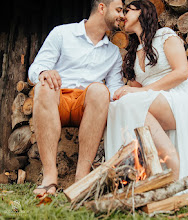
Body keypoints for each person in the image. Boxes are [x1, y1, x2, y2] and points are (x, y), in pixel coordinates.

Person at [104, 0, 188, 196]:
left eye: (127, 11)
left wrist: (142, 92)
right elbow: (136, 89)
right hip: (154, 99)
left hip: (180, 96)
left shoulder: (165, 35)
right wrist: (123, 91)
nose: (123, 16)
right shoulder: (135, 51)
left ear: (142, 12)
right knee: (117, 106)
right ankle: (129, 175)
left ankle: (173, 165)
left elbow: (182, 72)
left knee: (131, 102)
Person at [28, 0, 125, 195]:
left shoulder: (114, 52)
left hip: (87, 107)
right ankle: (50, 177)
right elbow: (35, 69)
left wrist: (130, 93)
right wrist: (44, 72)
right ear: (101, 8)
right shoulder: (62, 33)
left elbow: (114, 90)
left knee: (100, 90)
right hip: (57, 100)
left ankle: (82, 178)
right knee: (44, 86)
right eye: (119, 10)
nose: (122, 15)